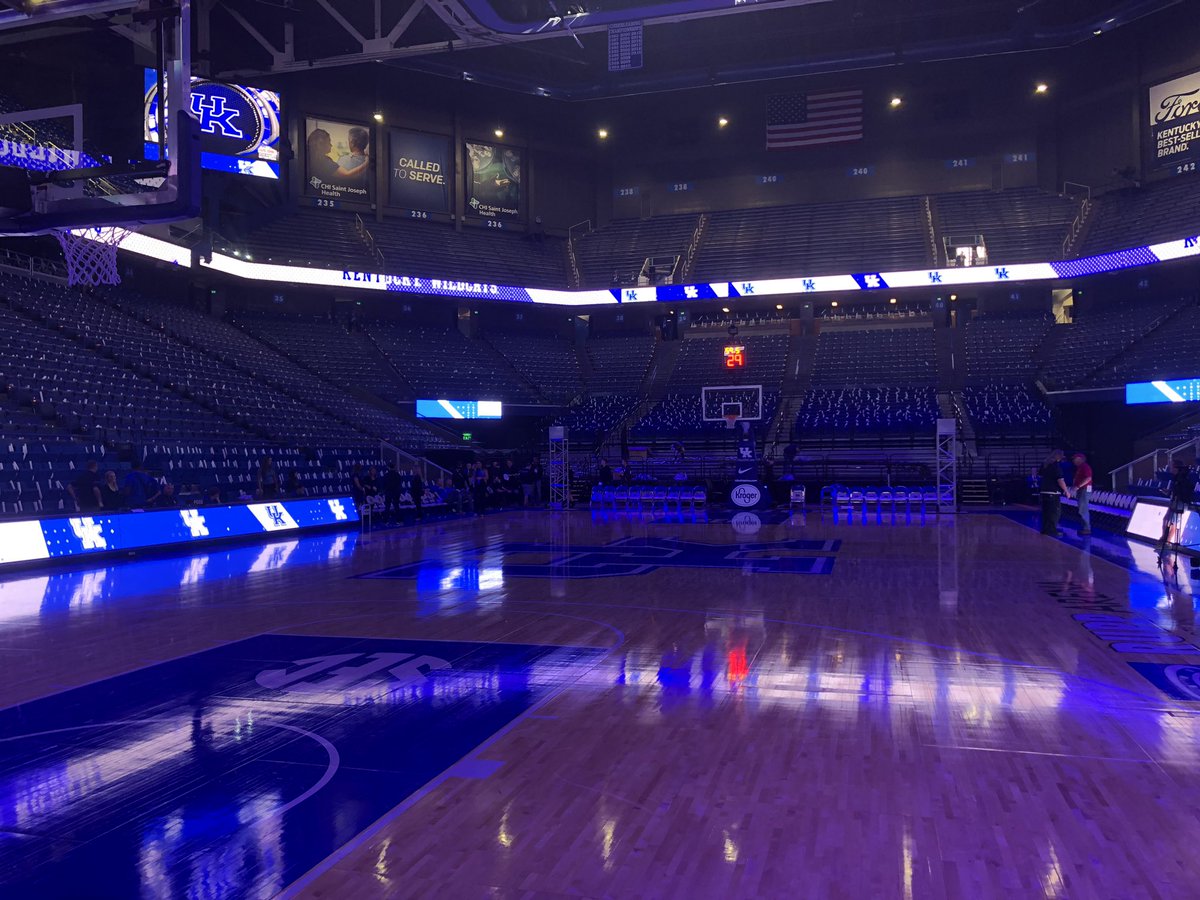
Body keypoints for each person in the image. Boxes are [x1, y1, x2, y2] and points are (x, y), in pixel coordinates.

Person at [1159, 459, 1195, 559]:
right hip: (1174, 501)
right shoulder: (1176, 478)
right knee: (1166, 520)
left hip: (1179, 502)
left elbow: (1183, 491)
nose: (1170, 468)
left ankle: (1167, 542)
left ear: (1176, 467)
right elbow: (1176, 490)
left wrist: (1173, 493)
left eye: (1171, 466)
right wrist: (1169, 492)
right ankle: (1164, 540)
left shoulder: (1183, 478)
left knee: (1173, 522)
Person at [1036, 450, 1069, 537]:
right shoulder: (1056, 466)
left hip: (1043, 491)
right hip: (1053, 492)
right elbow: (1060, 480)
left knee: (1045, 512)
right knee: (1054, 512)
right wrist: (1066, 491)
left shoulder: (1044, 465)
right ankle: (1052, 530)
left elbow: (1039, 476)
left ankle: (1045, 529)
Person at [1071, 452, 1093, 535]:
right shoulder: (1080, 468)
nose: (1073, 460)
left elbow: (1088, 478)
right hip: (1082, 489)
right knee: (1082, 508)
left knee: (1083, 509)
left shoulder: (1085, 467)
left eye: (1075, 459)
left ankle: (1087, 528)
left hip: (1084, 489)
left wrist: (1078, 486)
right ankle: (1085, 527)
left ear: (1080, 459)